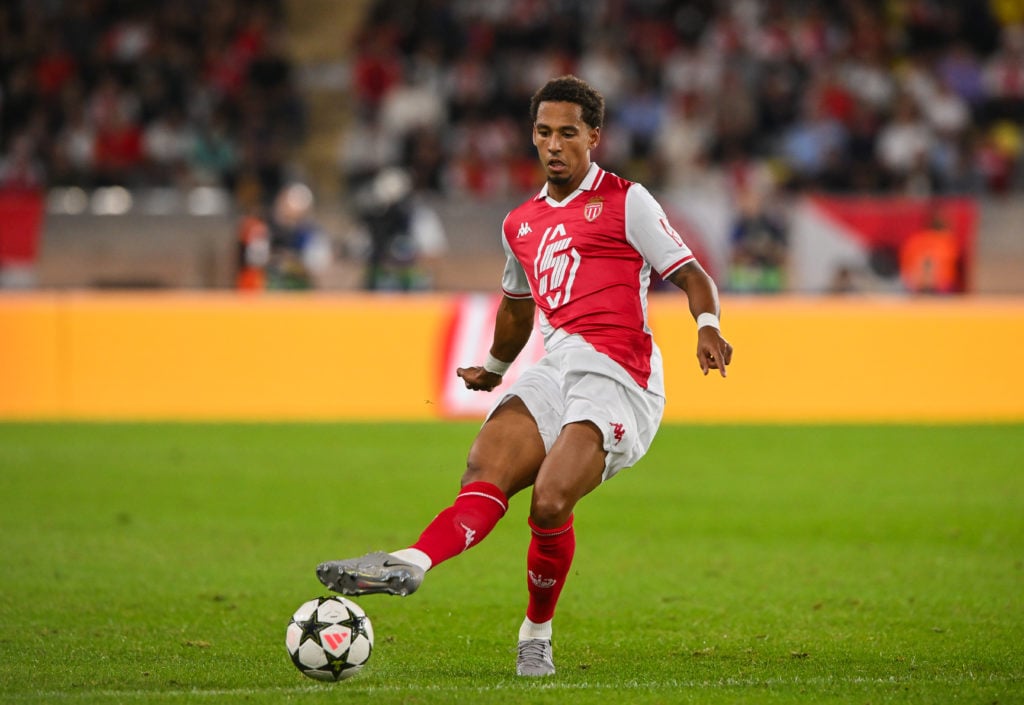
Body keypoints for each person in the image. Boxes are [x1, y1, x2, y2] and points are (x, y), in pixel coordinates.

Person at [316, 75, 732, 677]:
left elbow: (691, 273)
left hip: (619, 376)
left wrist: (708, 325)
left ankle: (536, 631)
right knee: (486, 465)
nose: (555, 144)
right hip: (555, 367)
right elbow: (517, 310)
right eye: (543, 132)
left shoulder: (625, 199)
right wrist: (493, 368)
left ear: (594, 136)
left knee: (550, 499)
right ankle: (411, 560)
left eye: (568, 133)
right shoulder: (521, 223)